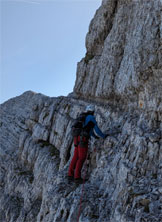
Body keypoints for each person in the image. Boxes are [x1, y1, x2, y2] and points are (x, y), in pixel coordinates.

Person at [68, 104, 108, 184]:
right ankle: (77, 178)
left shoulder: (82, 117)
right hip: (83, 140)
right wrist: (103, 136)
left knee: (76, 157)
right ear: (92, 111)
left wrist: (94, 136)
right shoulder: (91, 118)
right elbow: (96, 129)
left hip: (76, 139)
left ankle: (70, 175)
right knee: (82, 157)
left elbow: (89, 130)